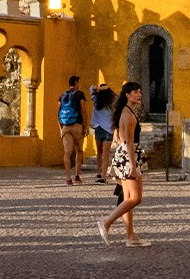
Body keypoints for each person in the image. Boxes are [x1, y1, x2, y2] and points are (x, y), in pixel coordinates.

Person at [98, 81, 149, 248]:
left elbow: (118, 138)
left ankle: (130, 236)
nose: (139, 94)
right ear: (128, 95)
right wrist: (133, 166)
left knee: (127, 198)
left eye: (140, 91)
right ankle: (106, 222)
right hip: (129, 156)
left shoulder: (124, 113)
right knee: (136, 198)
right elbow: (128, 142)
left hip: (124, 155)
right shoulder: (128, 115)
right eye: (135, 92)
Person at [56, 75, 87, 185]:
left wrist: (60, 129)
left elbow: (58, 113)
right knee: (79, 150)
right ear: (76, 83)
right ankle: (77, 176)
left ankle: (68, 178)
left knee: (67, 152)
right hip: (76, 126)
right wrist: (85, 126)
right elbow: (83, 111)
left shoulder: (63, 95)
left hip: (65, 127)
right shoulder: (80, 94)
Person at [89, 84, 116, 185]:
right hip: (108, 129)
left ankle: (99, 173)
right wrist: (107, 88)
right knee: (106, 154)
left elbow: (91, 87)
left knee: (99, 153)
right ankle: (104, 176)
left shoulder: (95, 99)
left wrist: (98, 89)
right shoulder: (112, 101)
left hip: (98, 128)